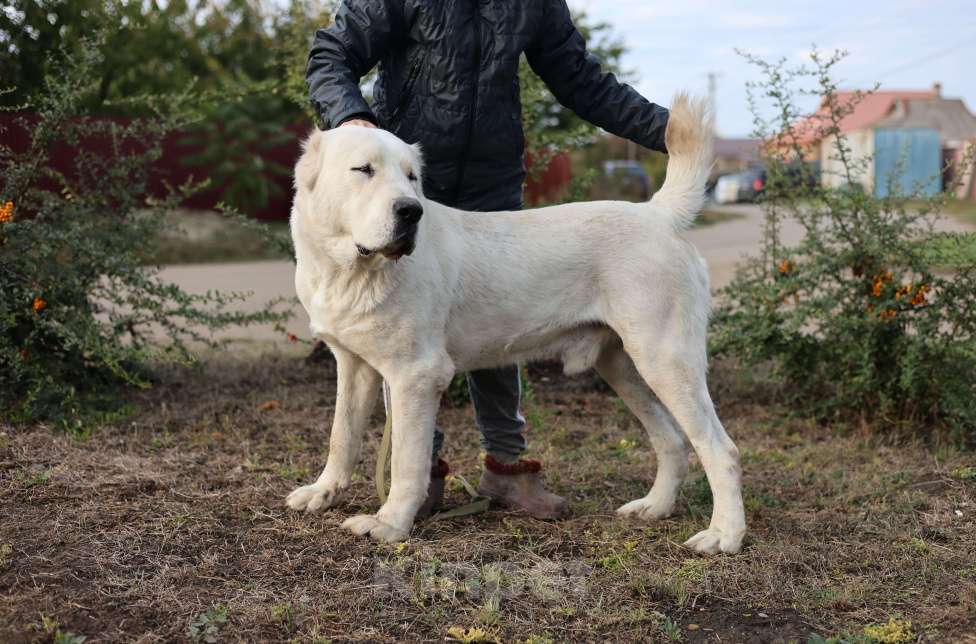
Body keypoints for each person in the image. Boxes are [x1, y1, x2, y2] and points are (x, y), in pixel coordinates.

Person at [306, 0, 670, 520]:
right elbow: (332, 51)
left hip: (490, 179)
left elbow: (582, 82)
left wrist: (666, 133)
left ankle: (507, 469)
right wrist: (353, 123)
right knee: (403, 339)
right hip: (401, 179)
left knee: (503, 317)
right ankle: (421, 475)